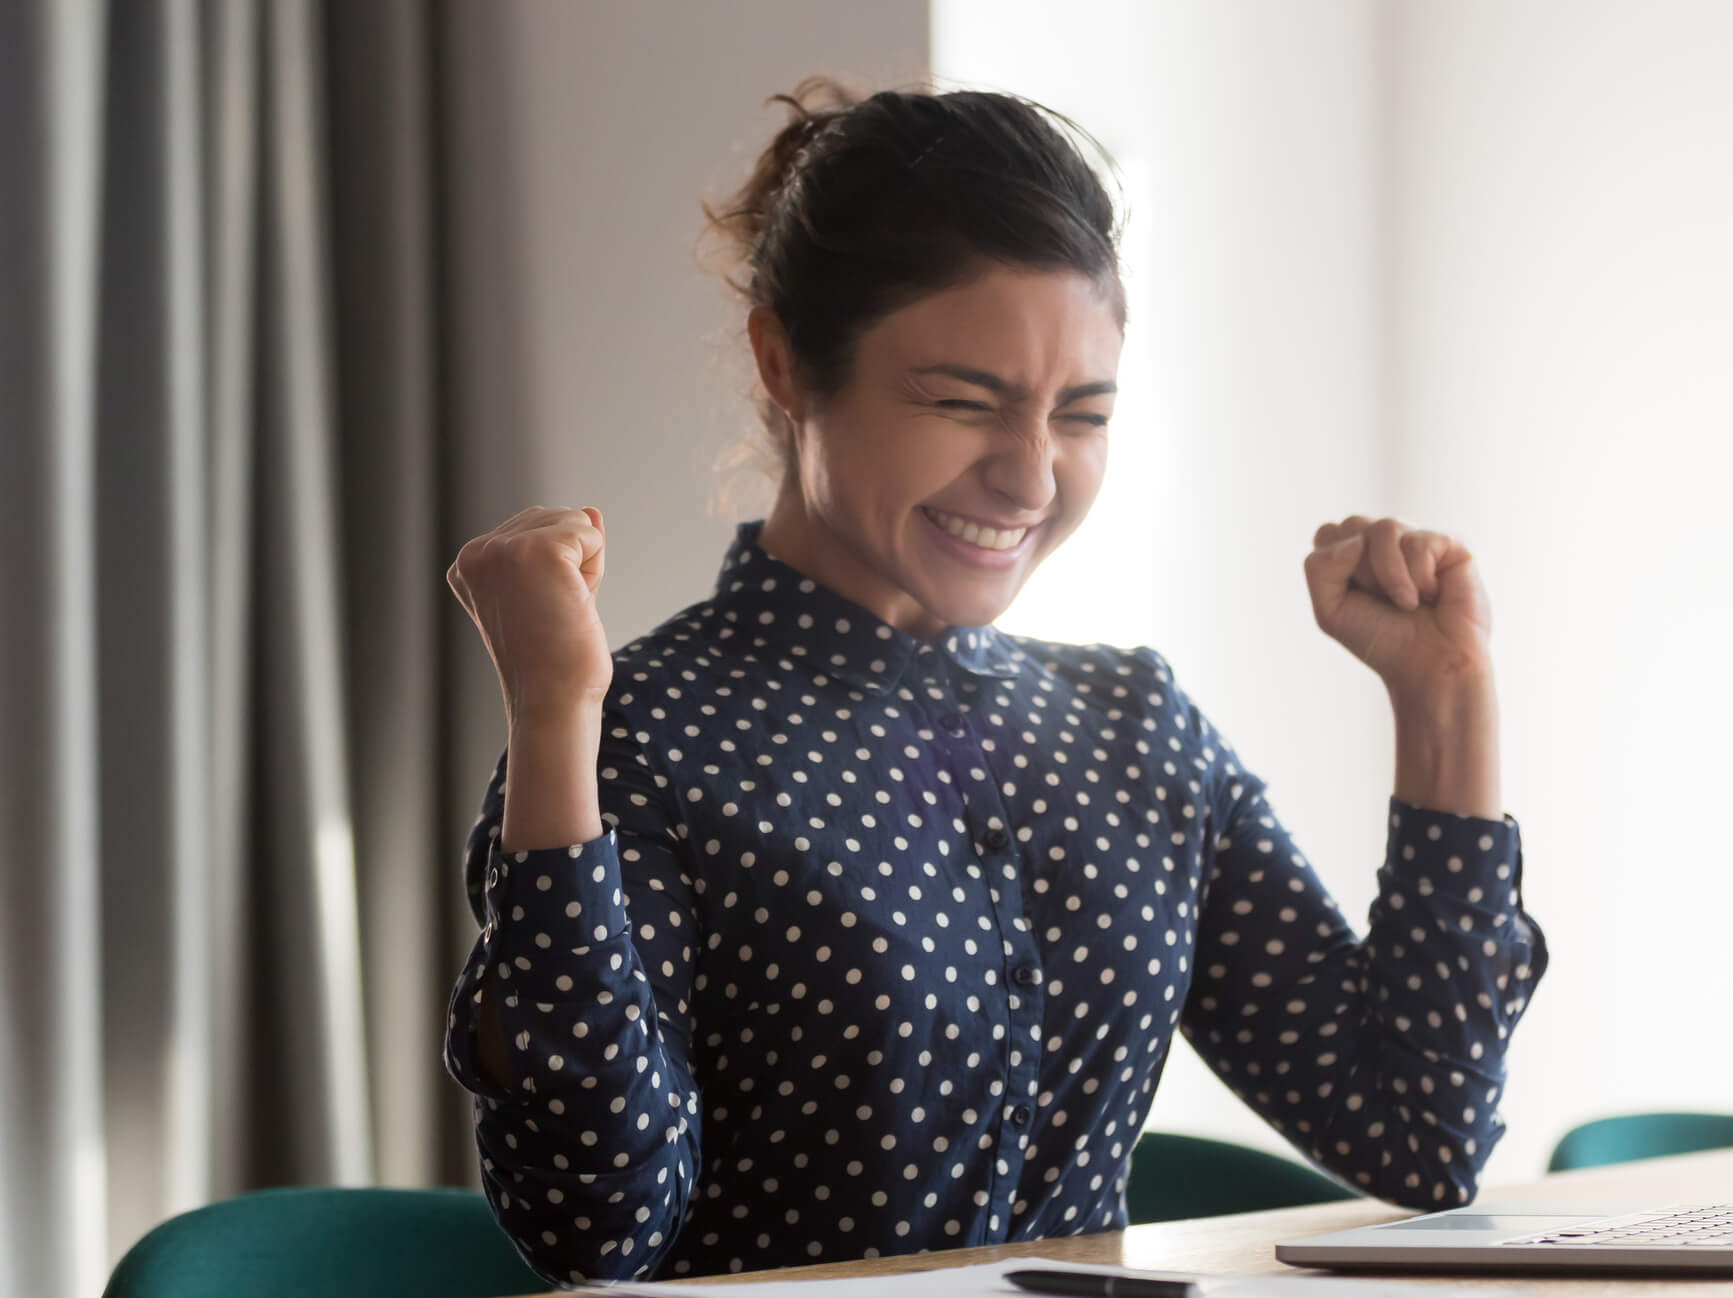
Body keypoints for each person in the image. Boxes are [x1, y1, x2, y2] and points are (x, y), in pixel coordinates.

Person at [439, 75, 1549, 1287]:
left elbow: (1417, 1129)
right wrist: (554, 713)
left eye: (1082, 414)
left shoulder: (1135, 727)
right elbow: (595, 1226)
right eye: (963, 401)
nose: (1029, 478)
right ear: (785, 364)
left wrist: (1446, 701)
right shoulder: (638, 736)